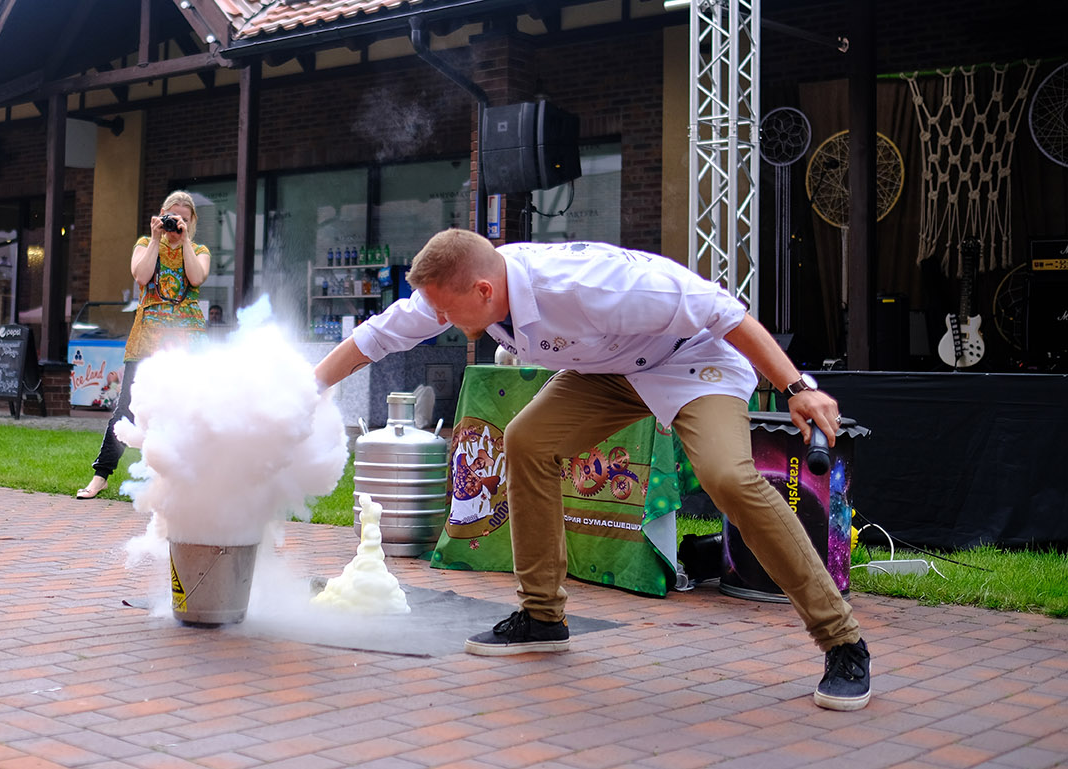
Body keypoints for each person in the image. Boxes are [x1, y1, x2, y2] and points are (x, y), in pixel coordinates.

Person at [313, 229, 871, 712]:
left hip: (692, 360)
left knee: (728, 477)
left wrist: (797, 387)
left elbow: (725, 312)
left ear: (483, 291)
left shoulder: (592, 285)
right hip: (611, 373)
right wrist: (307, 391)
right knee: (527, 440)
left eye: (446, 311)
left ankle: (842, 640)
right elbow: (377, 336)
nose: (439, 321)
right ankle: (542, 617)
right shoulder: (462, 287)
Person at [76, 191, 210, 500]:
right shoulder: (145, 244)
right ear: (161, 215)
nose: (176, 223)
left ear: (192, 221)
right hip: (147, 337)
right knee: (127, 407)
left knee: (186, 410)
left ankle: (181, 482)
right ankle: (100, 476)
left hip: (187, 341)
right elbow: (140, 275)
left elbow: (196, 277)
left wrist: (184, 241)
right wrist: (155, 239)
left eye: (184, 219)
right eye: (172, 217)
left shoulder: (199, 250)